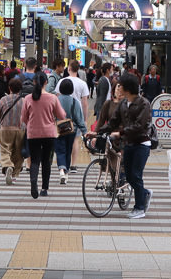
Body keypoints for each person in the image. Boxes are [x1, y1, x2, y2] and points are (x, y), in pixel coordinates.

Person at [98, 75, 153, 219]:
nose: (118, 87)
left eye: (120, 85)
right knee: (128, 175)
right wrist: (98, 132)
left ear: (127, 88)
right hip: (128, 143)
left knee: (136, 175)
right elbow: (113, 122)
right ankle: (145, 193)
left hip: (142, 144)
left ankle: (139, 208)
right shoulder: (123, 103)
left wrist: (120, 133)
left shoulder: (144, 103)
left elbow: (139, 125)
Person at [20, 72, 65, 199]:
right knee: (46, 161)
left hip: (33, 133)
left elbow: (23, 118)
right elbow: (62, 115)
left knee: (34, 160)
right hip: (49, 134)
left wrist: (31, 124)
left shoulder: (28, 98)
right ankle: (44, 189)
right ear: (46, 82)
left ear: (34, 82)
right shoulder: (52, 98)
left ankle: (33, 181)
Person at [0, 77, 26, 184]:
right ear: (20, 88)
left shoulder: (4, 100)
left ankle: (8, 166)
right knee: (18, 153)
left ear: (9, 88)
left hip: (5, 129)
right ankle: (14, 175)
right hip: (20, 129)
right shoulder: (24, 101)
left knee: (5, 150)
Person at [54, 78, 85, 184]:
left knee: (60, 150)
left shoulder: (55, 100)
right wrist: (84, 131)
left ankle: (61, 170)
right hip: (71, 129)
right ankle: (66, 171)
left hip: (58, 129)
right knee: (68, 150)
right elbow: (79, 118)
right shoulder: (75, 102)